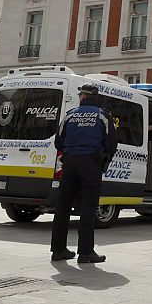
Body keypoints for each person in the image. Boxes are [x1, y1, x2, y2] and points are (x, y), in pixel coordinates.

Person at [51, 84, 118, 264]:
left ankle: (58, 250)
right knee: (88, 207)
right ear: (96, 97)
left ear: (83, 97)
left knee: (63, 208)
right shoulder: (104, 116)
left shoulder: (70, 114)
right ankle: (86, 252)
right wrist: (103, 157)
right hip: (91, 163)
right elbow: (112, 142)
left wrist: (70, 151)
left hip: (70, 163)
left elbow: (58, 141)